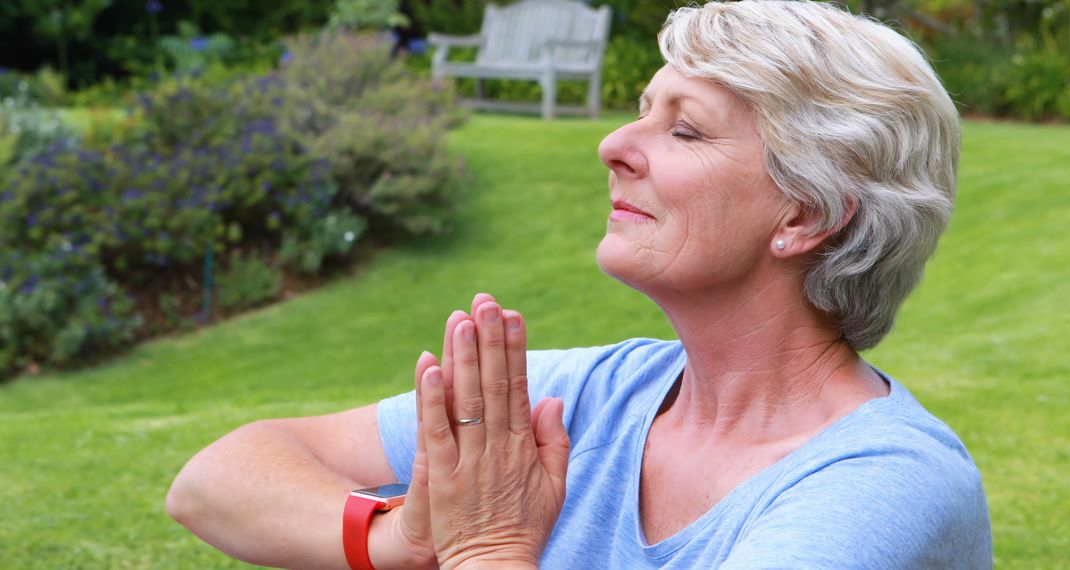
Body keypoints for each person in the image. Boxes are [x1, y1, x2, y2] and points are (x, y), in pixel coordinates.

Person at [167, 1, 992, 568]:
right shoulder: (591, 397)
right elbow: (215, 479)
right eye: (640, 108)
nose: (613, 145)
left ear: (806, 217)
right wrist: (402, 538)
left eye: (685, 129)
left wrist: (487, 550)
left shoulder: (885, 487)